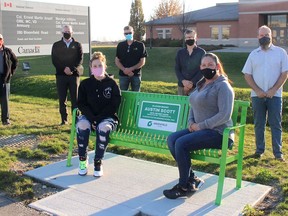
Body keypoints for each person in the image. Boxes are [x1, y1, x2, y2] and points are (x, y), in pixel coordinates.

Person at [163, 53, 234, 199]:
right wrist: (191, 123)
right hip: (201, 130)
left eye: (210, 65)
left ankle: (184, 186)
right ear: (200, 67)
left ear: (217, 66)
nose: (206, 67)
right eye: (203, 65)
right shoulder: (201, 84)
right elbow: (192, 106)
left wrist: (200, 126)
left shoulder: (223, 87)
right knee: (172, 139)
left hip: (220, 133)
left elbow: (225, 115)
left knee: (181, 143)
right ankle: (192, 179)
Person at [242, 25, 288, 162]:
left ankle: (278, 153)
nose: (263, 37)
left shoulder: (281, 53)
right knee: (259, 123)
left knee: (275, 123)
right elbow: (247, 75)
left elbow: (284, 73)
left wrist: (274, 89)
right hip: (257, 96)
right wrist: (257, 90)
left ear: (271, 35)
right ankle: (259, 150)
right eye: (261, 35)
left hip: (275, 95)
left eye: (266, 35)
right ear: (258, 37)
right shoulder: (253, 54)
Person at [76, 51, 121, 177]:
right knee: (82, 126)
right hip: (89, 117)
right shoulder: (85, 84)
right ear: (91, 68)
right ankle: (83, 160)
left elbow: (114, 104)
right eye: (94, 66)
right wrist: (92, 118)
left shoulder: (112, 84)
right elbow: (81, 104)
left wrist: (98, 119)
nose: (97, 68)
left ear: (105, 66)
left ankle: (98, 162)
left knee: (103, 128)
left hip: (107, 117)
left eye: (100, 65)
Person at [51, 25, 83, 125]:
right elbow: (54, 59)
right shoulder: (56, 45)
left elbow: (80, 59)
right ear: (62, 33)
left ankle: (76, 120)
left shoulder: (77, 45)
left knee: (75, 99)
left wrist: (72, 69)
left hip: (74, 76)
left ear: (72, 32)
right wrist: (64, 69)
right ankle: (64, 120)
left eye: (68, 31)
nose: (67, 33)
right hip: (61, 75)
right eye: (65, 31)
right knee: (62, 99)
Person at [115, 25, 147, 91]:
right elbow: (117, 60)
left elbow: (142, 61)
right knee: (123, 95)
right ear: (124, 34)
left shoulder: (140, 45)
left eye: (130, 33)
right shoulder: (120, 45)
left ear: (133, 32)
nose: (128, 35)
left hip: (136, 75)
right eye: (126, 33)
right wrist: (124, 70)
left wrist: (131, 69)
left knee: (136, 95)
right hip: (123, 75)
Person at [175, 29, 206, 95]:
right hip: (181, 86)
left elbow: (203, 70)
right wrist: (183, 81)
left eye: (191, 37)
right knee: (182, 105)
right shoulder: (180, 53)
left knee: (194, 105)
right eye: (187, 37)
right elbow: (177, 68)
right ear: (185, 39)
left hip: (196, 87)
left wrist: (192, 83)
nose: (189, 39)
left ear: (196, 38)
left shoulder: (201, 52)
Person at [0, 33, 18, 125]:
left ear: (2, 40)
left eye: (0, 39)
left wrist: (11, 73)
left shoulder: (7, 51)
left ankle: (5, 119)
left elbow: (15, 61)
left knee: (4, 101)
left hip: (4, 79)